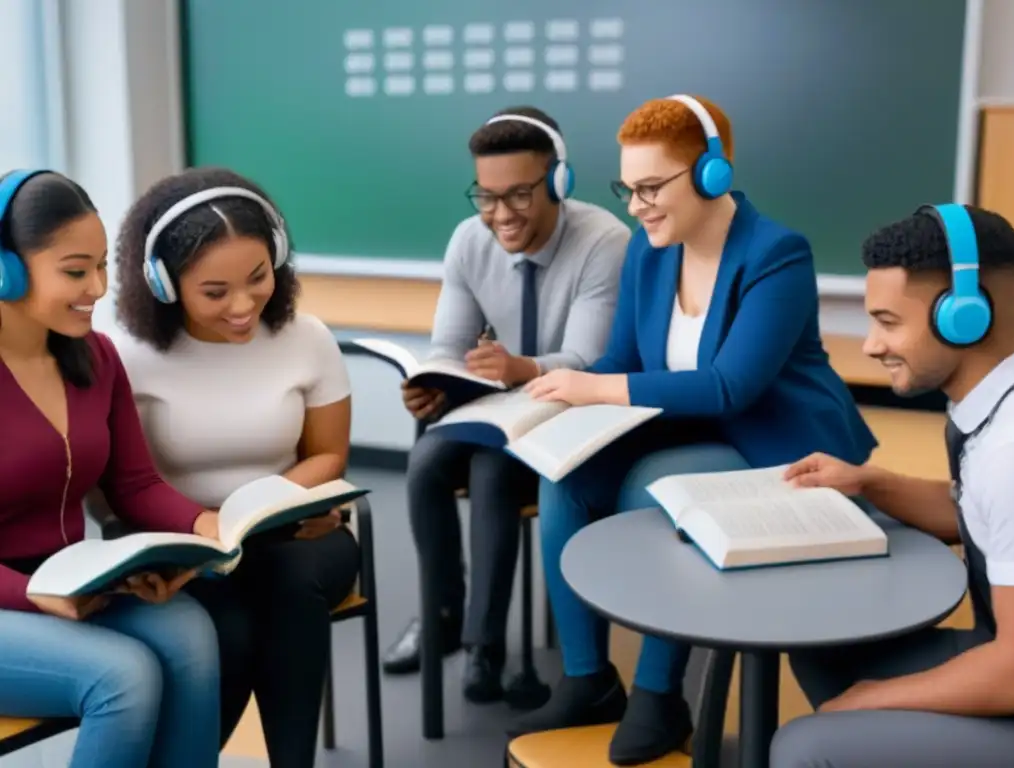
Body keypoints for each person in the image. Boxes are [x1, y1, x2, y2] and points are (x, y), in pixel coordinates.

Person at [510, 95, 878, 764]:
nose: (635, 205)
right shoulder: (651, 254)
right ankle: (588, 679)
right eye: (628, 188)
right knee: (563, 480)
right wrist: (564, 412)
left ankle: (660, 695)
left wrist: (598, 387)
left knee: (655, 489)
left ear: (711, 173)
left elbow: (731, 386)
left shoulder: (777, 254)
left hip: (774, 441)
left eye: (651, 187)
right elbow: (624, 362)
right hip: (689, 429)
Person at [111, 167, 361, 768]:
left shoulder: (307, 338)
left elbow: (327, 454)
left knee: (291, 582)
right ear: (163, 285)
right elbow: (114, 487)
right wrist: (204, 528)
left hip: (294, 534)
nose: (244, 305)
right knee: (233, 630)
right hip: (175, 544)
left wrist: (268, 505)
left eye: (258, 278)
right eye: (215, 291)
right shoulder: (127, 354)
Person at [382, 106, 631, 703]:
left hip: (573, 412)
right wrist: (433, 386)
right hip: (496, 407)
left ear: (558, 181)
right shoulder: (470, 240)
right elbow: (449, 345)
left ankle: (484, 647)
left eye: (517, 195)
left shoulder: (605, 241)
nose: (499, 214)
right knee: (423, 466)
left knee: (493, 473)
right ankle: (441, 615)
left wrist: (523, 369)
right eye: (486, 197)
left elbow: (589, 360)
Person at [770, 205, 1014, 767]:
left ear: (965, 314)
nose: (869, 345)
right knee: (825, 653)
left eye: (887, 322)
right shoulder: (996, 407)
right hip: (1008, 654)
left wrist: (874, 701)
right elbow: (978, 515)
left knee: (807, 748)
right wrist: (872, 482)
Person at [0, 169, 222, 767]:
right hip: (18, 593)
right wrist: (32, 594)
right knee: (124, 678)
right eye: (75, 271)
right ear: (7, 268)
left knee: (192, 639)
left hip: (70, 577)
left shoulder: (95, 354)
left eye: (101, 266)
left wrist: (208, 529)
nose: (97, 287)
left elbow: (134, 484)